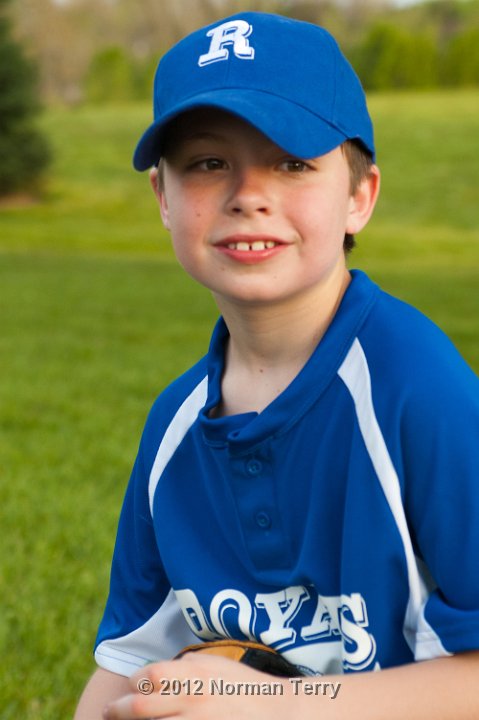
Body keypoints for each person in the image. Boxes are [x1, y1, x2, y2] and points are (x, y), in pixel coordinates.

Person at [74, 11, 479, 720]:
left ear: (359, 196)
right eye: (208, 164)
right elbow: (126, 669)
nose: (248, 195)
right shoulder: (174, 424)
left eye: (292, 162)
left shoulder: (419, 390)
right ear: (163, 198)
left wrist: (275, 704)